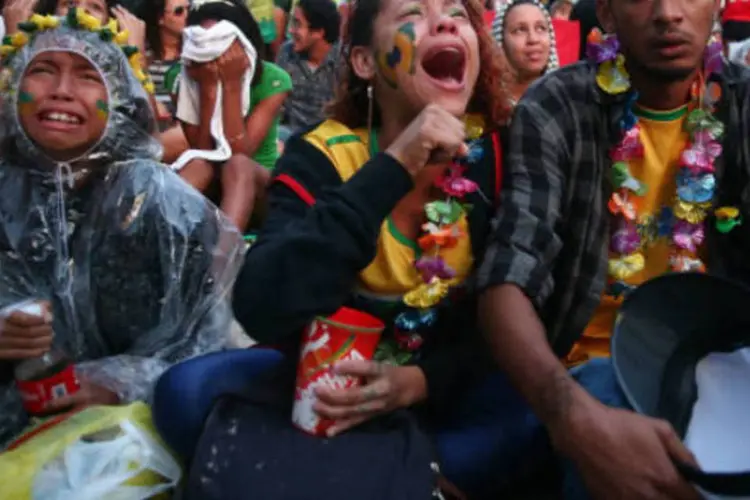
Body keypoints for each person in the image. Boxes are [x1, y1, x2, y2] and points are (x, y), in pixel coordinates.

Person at [153, 0, 539, 496]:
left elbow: (521, 318)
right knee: (181, 395)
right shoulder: (321, 154)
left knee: (537, 415)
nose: (444, 21)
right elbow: (262, 305)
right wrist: (397, 163)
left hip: (448, 396)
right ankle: (408, 474)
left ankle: (392, 468)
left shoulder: (504, 155)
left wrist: (421, 381)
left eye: (458, 14)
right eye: (412, 15)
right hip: (323, 398)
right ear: (364, 62)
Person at [477, 0, 750, 495]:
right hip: (590, 374)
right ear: (605, 12)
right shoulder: (557, 105)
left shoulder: (742, 101)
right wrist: (571, 419)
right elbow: (508, 273)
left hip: (720, 365)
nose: (667, 12)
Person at [0, 9, 244, 449]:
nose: (61, 91)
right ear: (14, 82)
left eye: (87, 75)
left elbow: (206, 345)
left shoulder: (163, 207)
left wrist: (120, 385)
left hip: (130, 432)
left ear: (119, 95)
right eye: (42, 70)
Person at [169, 5, 292, 170]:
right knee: (198, 167)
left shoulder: (273, 79)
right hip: (208, 172)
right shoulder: (182, 77)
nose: (212, 52)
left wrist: (231, 85)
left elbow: (239, 155)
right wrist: (208, 89)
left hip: (254, 173)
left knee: (237, 166)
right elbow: (202, 151)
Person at [276, 0, 340, 133]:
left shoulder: (343, 61)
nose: (291, 30)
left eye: (297, 24)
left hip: (329, 140)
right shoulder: (286, 53)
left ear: (318, 32)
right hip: (290, 136)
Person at [493, 0, 559, 108]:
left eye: (540, 28)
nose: (533, 39)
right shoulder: (485, 105)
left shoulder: (567, 101)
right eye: (520, 30)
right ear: (501, 41)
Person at [143, 0, 188, 129]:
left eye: (189, 9)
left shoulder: (195, 54)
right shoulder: (143, 55)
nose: (187, 15)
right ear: (160, 19)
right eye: (179, 11)